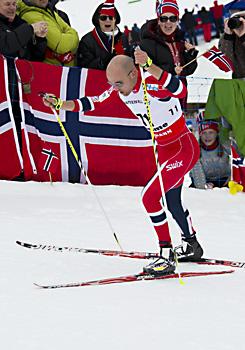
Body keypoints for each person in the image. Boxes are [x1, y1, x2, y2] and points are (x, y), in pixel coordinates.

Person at [42, 48, 204, 276]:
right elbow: (91, 103)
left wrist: (149, 65)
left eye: (117, 82)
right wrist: (61, 104)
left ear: (133, 75)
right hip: (165, 150)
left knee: (149, 198)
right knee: (172, 201)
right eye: (111, 83)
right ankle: (192, 246)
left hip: (182, 148)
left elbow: (180, 89)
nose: (113, 88)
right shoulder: (119, 90)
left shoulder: (151, 84)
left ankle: (166, 254)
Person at [0, 0, 48, 179]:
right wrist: (30, 30)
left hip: (19, 89)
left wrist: (40, 39)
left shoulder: (21, 24)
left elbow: (36, 57)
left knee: (21, 127)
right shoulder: (24, 27)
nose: (12, 7)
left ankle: (21, 167)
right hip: (2, 89)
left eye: (14, 3)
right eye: (7, 4)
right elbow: (6, 45)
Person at [140, 0, 199, 109]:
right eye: (164, 18)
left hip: (180, 91)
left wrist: (191, 54)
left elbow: (188, 70)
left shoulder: (180, 41)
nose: (168, 23)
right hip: (159, 97)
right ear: (158, 21)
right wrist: (171, 71)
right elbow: (146, 71)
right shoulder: (147, 42)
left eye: (173, 18)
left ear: (177, 21)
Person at [17, 0, 79, 66]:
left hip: (63, 69)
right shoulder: (30, 15)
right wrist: (72, 35)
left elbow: (75, 38)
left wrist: (72, 36)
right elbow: (61, 45)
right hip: (50, 71)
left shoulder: (47, 10)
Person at [77, 0, 130, 70]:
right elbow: (84, 67)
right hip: (98, 79)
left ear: (115, 20)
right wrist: (104, 61)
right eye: (103, 18)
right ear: (97, 20)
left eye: (111, 18)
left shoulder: (123, 37)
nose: (107, 20)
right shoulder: (87, 40)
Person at [190, 121, 231, 189]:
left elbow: (238, 161)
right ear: (200, 134)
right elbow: (197, 173)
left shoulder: (224, 145)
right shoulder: (195, 149)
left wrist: (229, 180)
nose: (207, 136)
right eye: (204, 133)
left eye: (211, 132)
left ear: (216, 134)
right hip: (201, 180)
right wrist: (204, 186)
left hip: (224, 179)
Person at [219, 10, 245, 79]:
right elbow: (224, 65)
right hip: (239, 81)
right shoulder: (228, 36)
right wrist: (228, 37)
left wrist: (243, 37)